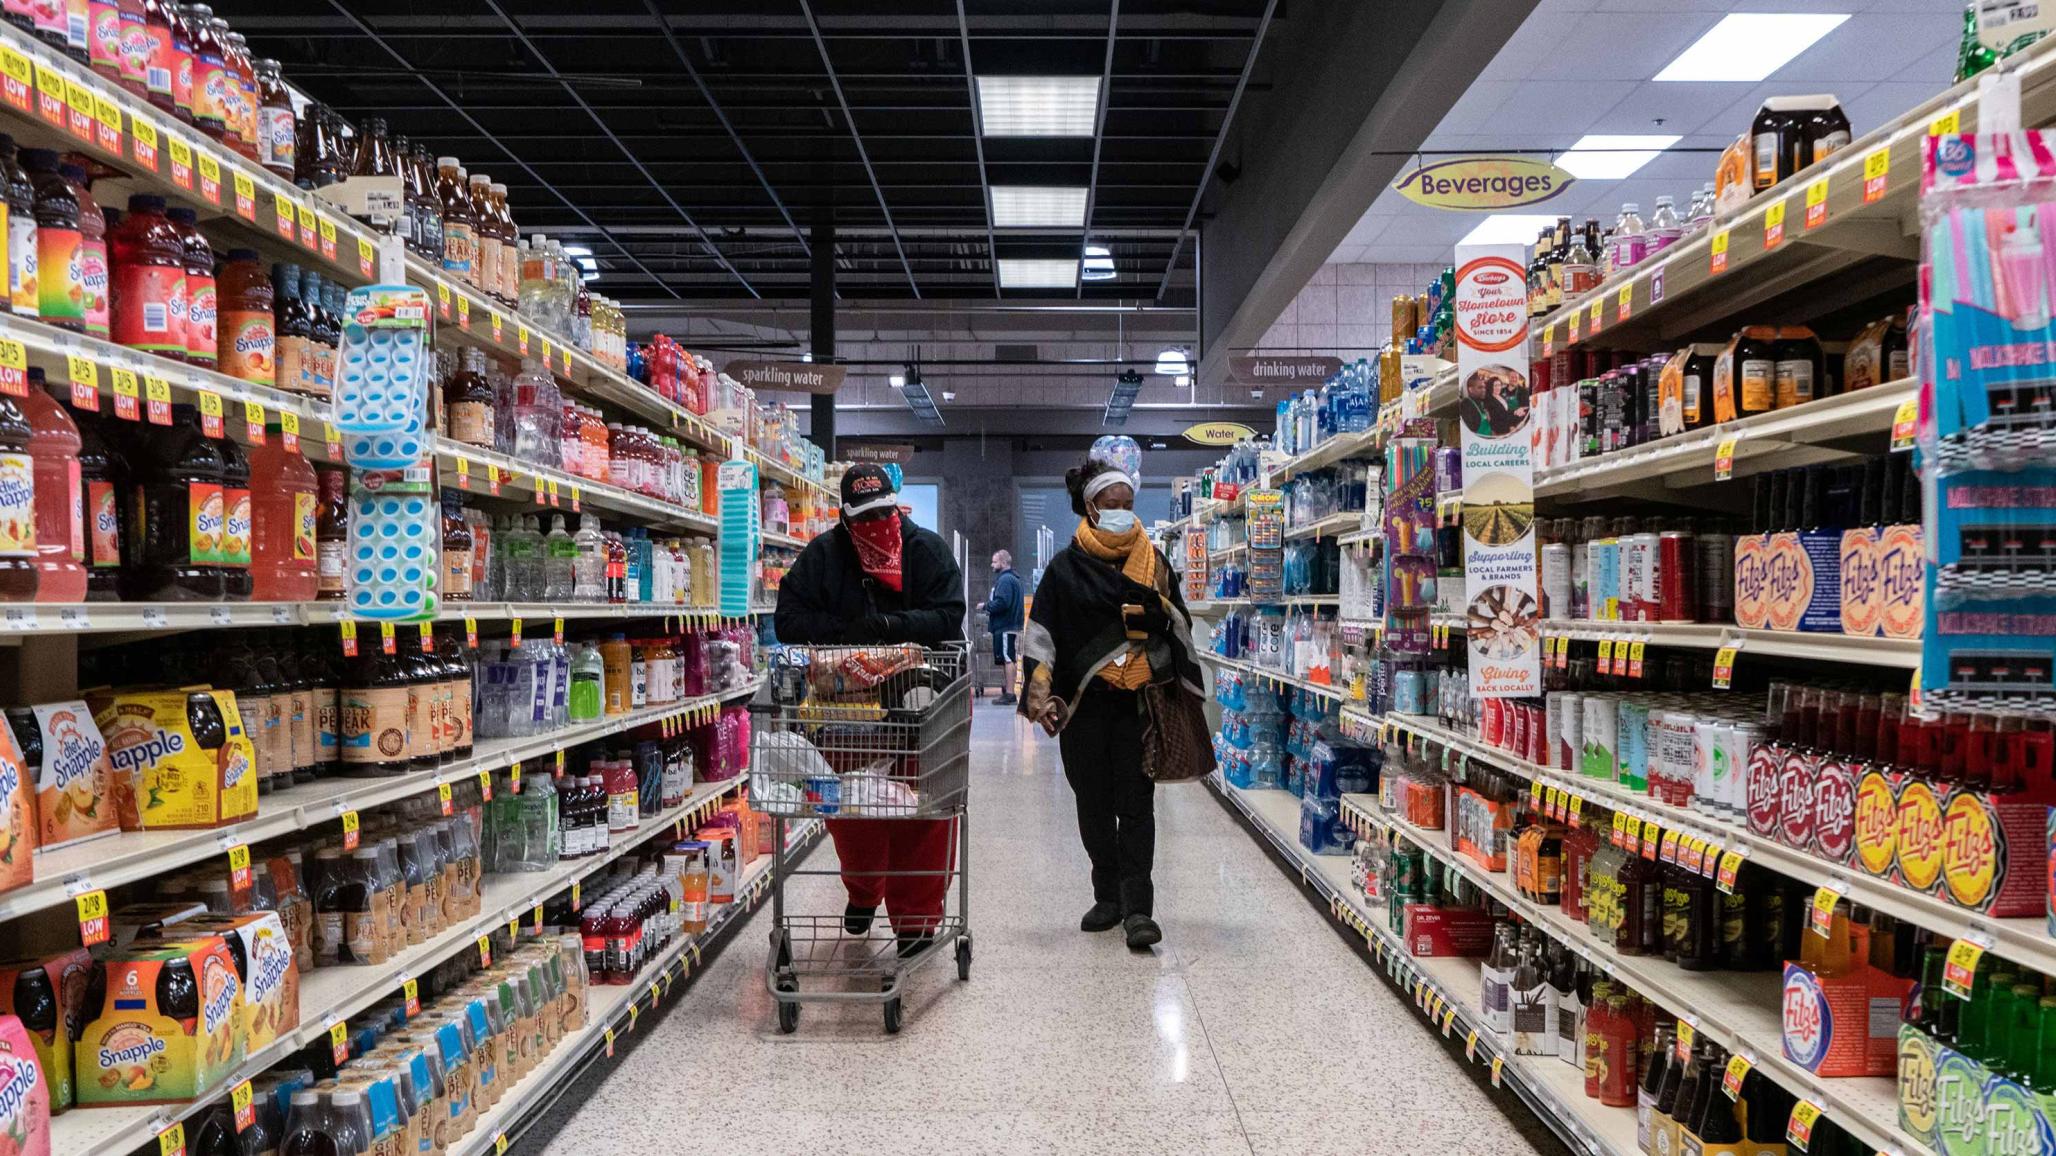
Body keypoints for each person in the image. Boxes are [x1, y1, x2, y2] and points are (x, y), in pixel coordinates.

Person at [775, 464, 966, 956]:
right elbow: (788, 618)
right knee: (852, 808)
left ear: (895, 504)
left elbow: (950, 614)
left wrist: (889, 626)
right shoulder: (823, 556)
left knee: (924, 811)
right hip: (847, 710)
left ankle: (916, 922)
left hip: (923, 708)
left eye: (883, 512)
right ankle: (864, 891)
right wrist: (849, 632)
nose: (876, 524)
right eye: (864, 518)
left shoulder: (926, 551)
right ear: (844, 517)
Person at [1019, 459, 1205, 950]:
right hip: (1085, 705)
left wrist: (1157, 614)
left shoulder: (1155, 562)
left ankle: (1139, 908)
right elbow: (1041, 635)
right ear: (1090, 507)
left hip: (1138, 704)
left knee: (1137, 804)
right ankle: (1107, 896)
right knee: (1093, 804)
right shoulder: (1063, 569)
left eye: (1128, 505)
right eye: (1111, 506)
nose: (1123, 513)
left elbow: (1180, 621)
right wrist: (1039, 691)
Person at [984, 550, 1024, 705]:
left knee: (1008, 659)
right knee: (1009, 658)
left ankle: (1009, 693)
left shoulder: (1006, 580)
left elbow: (1002, 602)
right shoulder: (1013, 579)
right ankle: (1009, 691)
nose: (992, 565)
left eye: (994, 562)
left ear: (1003, 562)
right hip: (1010, 625)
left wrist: (986, 606)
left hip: (1005, 625)